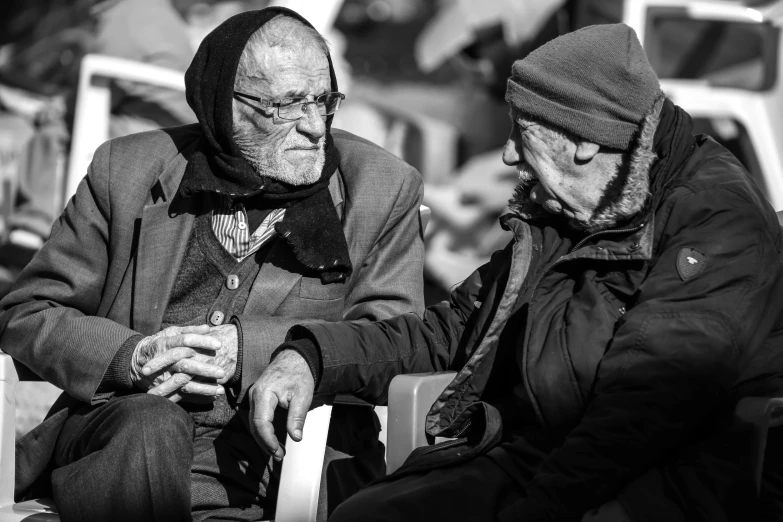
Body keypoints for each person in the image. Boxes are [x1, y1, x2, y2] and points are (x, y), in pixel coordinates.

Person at [256, 24, 783, 521]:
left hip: (666, 478)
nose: (508, 154)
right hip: (539, 454)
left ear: (585, 140)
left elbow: (645, 406)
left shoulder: (716, 221)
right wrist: (315, 356)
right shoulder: (570, 210)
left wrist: (537, 511)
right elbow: (454, 330)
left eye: (524, 130)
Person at [0, 7, 425, 522]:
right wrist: (130, 356)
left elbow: (398, 342)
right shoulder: (128, 169)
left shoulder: (381, 187)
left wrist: (254, 349)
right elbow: (29, 311)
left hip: (281, 464)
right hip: (122, 447)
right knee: (148, 423)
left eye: (323, 99)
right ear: (224, 104)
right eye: (286, 105)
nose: (315, 126)